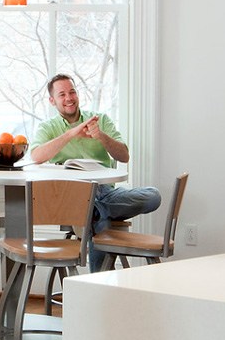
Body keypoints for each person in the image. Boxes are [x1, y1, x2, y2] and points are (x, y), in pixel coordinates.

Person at [28, 72, 159, 271]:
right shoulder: (48, 127)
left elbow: (124, 156)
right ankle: (97, 214)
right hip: (72, 199)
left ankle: (97, 211)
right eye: (62, 94)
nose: (69, 98)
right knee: (100, 220)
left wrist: (101, 136)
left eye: (72, 92)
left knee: (153, 196)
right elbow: (36, 156)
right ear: (52, 101)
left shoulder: (100, 120)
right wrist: (72, 133)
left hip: (104, 192)